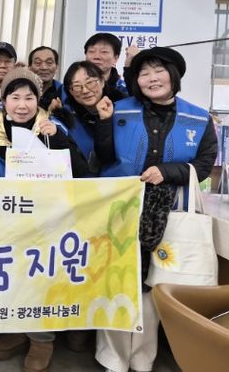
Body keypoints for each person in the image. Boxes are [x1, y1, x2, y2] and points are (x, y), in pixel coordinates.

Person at [93, 46, 217, 372]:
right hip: (120, 211)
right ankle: (113, 357)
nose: (151, 78)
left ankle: (143, 356)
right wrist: (104, 122)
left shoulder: (199, 118)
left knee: (155, 284)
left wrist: (168, 171)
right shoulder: (118, 109)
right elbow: (102, 157)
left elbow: (204, 164)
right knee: (116, 281)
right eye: (144, 73)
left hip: (168, 215)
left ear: (173, 76)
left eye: (158, 70)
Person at [0, 68, 87, 372]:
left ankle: (42, 339)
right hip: (6, 217)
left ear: (38, 99)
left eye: (29, 97)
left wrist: (60, 140)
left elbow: (82, 172)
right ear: (3, 99)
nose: (22, 104)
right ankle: (19, 330)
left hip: (48, 219)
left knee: (41, 276)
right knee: (11, 275)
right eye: (14, 97)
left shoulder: (54, 127)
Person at [61, 60, 126, 176]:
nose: (85, 90)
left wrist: (105, 121)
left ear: (102, 82)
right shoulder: (66, 117)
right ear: (70, 91)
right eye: (77, 86)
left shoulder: (125, 110)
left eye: (90, 82)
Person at [84, 32, 129, 98]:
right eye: (91, 51)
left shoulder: (124, 89)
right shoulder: (73, 86)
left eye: (104, 52)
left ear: (116, 58)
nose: (96, 57)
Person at [28, 46, 62, 111]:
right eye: (38, 63)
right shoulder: (19, 91)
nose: (44, 67)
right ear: (29, 68)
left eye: (49, 63)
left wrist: (60, 112)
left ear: (57, 67)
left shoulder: (64, 92)